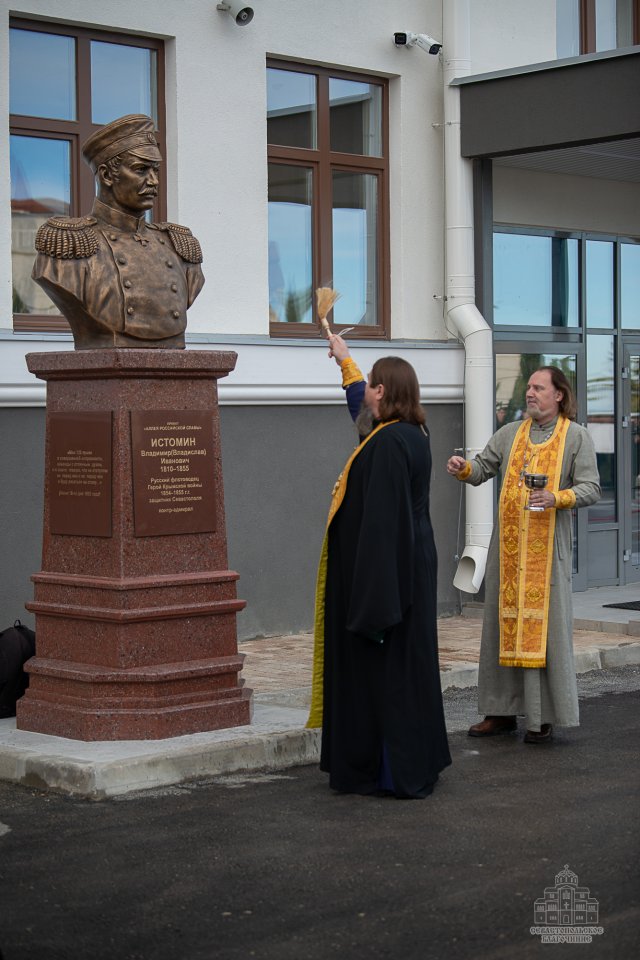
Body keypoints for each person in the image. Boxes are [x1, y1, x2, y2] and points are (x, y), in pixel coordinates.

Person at [307, 336, 451, 798]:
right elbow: (361, 412)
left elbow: (382, 527)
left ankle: (390, 772)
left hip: (386, 580)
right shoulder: (408, 434)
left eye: (369, 384)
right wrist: (344, 360)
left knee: (388, 672)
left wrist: (372, 608)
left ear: (384, 392)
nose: (365, 389)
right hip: (408, 569)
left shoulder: (389, 445)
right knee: (407, 669)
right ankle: (409, 763)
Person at [446, 367, 601, 743]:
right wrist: (464, 469)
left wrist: (557, 497)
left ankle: (541, 716)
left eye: (538, 388)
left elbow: (591, 488)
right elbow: (483, 468)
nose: (530, 393)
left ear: (558, 395)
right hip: (509, 554)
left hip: (547, 556)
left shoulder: (575, 437)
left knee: (545, 634)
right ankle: (499, 713)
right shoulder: (510, 433)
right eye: (529, 387)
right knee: (499, 630)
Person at [32, 114, 205, 349]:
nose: (153, 181)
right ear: (106, 175)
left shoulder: (177, 245)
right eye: (141, 169)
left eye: (155, 170)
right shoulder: (71, 246)